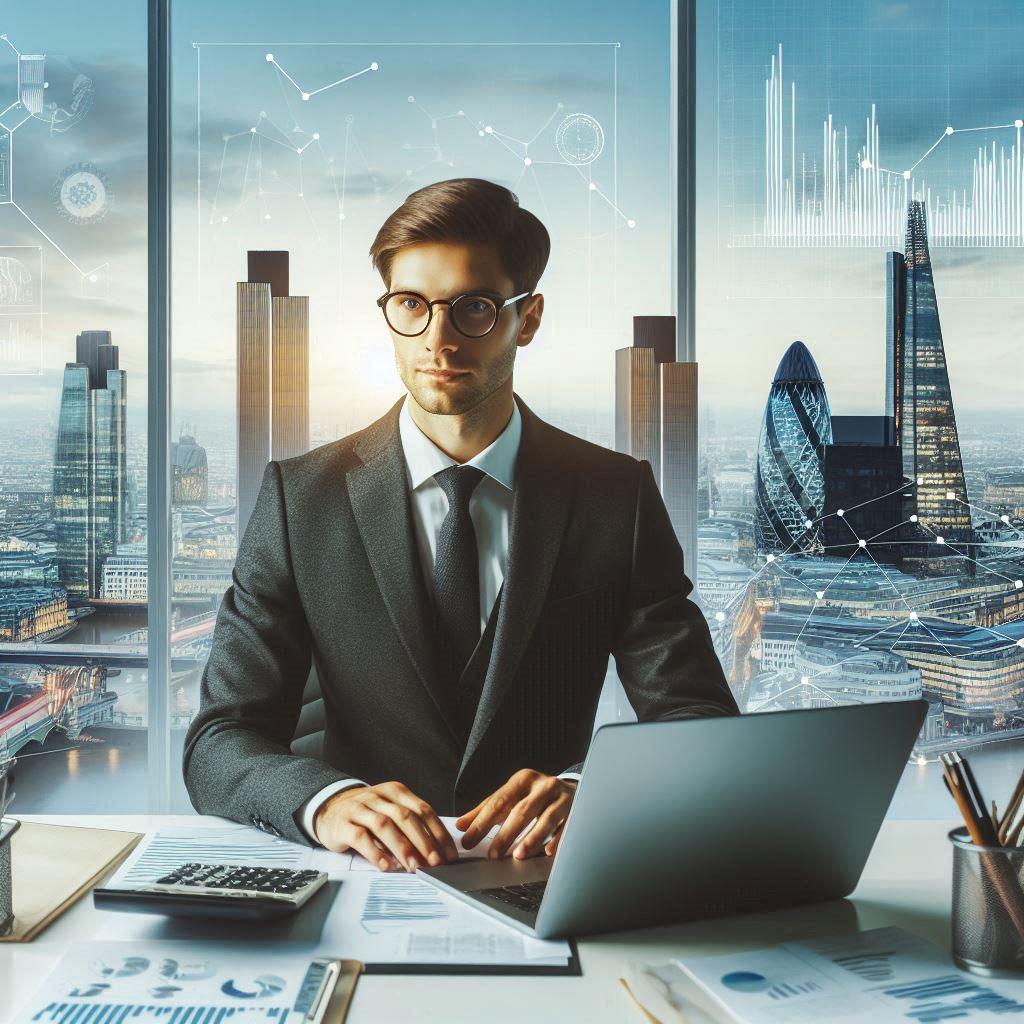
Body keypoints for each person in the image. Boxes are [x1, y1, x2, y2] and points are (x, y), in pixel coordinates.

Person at [183, 177, 738, 875]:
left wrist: (590, 793)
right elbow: (220, 739)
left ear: (527, 319)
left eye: (473, 307)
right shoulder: (302, 499)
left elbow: (698, 721)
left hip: (550, 875)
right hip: (354, 878)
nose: (437, 339)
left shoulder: (612, 498)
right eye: (410, 305)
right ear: (387, 312)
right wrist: (326, 803)